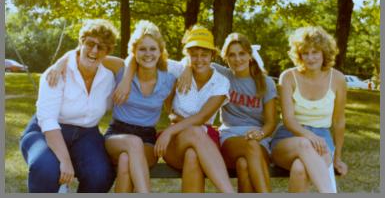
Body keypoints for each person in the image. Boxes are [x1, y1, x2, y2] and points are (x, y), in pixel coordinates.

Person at [45, 20, 176, 193]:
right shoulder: (120, 68)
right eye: (142, 49)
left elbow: (172, 112)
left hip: (147, 139)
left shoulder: (169, 79)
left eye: (153, 48)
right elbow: (87, 53)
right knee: (132, 143)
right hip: (117, 134)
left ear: (160, 51)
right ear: (134, 52)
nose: (148, 54)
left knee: (125, 160)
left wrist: (171, 131)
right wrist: (60, 63)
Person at [121, 25, 235, 193]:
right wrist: (125, 82)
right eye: (193, 55)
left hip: (203, 139)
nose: (199, 60)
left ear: (213, 55)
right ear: (187, 55)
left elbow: (202, 118)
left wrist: (170, 130)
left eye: (204, 55)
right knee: (195, 132)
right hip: (175, 144)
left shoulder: (221, 82)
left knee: (192, 154)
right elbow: (133, 58)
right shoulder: (177, 69)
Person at [19, 19, 118, 193]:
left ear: (107, 52)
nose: (94, 50)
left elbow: (131, 62)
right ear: (81, 42)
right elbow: (48, 121)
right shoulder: (56, 73)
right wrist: (65, 161)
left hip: (86, 135)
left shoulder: (108, 78)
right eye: (90, 43)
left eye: (101, 47)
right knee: (46, 168)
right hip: (44, 131)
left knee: (101, 175)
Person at [177, 32, 277, 192]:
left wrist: (260, 134)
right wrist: (188, 69)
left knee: (243, 164)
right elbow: (193, 60)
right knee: (250, 147)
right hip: (230, 136)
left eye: (242, 54)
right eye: (232, 55)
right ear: (226, 58)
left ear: (250, 55)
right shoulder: (223, 75)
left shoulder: (266, 82)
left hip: (259, 139)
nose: (237, 59)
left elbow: (271, 122)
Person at [270, 26, 348, 193]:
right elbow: (288, 119)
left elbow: (339, 121)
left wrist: (338, 158)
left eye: (315, 52)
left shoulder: (338, 79)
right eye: (305, 53)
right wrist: (310, 136)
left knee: (300, 169)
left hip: (323, 142)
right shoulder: (288, 77)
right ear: (299, 55)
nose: (310, 58)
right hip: (288, 139)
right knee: (305, 144)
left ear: (324, 53)